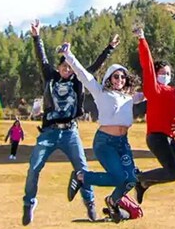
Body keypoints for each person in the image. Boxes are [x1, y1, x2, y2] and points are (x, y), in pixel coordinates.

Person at [22, 20, 119, 225]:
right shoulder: (50, 76)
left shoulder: (78, 80)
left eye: (69, 66)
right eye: (63, 66)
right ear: (58, 67)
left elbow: (95, 67)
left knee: (82, 168)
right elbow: (41, 58)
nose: (67, 69)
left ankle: (89, 202)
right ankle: (29, 203)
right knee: (34, 168)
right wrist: (37, 37)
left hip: (70, 133)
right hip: (49, 132)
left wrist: (109, 48)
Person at [63, 41, 146, 222]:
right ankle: (81, 177)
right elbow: (83, 74)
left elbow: (151, 92)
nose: (119, 80)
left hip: (122, 143)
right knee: (118, 178)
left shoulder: (129, 97)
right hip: (105, 142)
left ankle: (112, 201)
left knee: (131, 179)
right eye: (116, 76)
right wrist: (68, 55)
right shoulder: (100, 92)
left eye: (123, 77)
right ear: (109, 77)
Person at [133, 28, 175, 203]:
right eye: (163, 73)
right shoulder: (153, 89)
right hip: (157, 137)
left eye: (169, 73)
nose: (166, 76)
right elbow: (147, 64)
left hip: (170, 138)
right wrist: (142, 39)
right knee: (171, 172)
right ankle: (138, 178)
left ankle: (144, 183)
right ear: (156, 75)